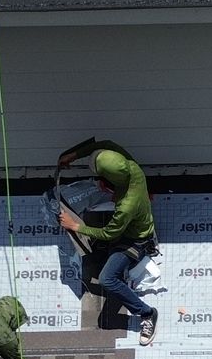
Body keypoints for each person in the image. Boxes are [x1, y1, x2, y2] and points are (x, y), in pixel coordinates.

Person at [56, 137, 161, 345]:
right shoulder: (133, 168)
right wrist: (74, 155)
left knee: (107, 279)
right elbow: (107, 144)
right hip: (129, 227)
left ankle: (147, 314)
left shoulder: (126, 206)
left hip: (134, 241)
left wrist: (74, 226)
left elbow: (109, 234)